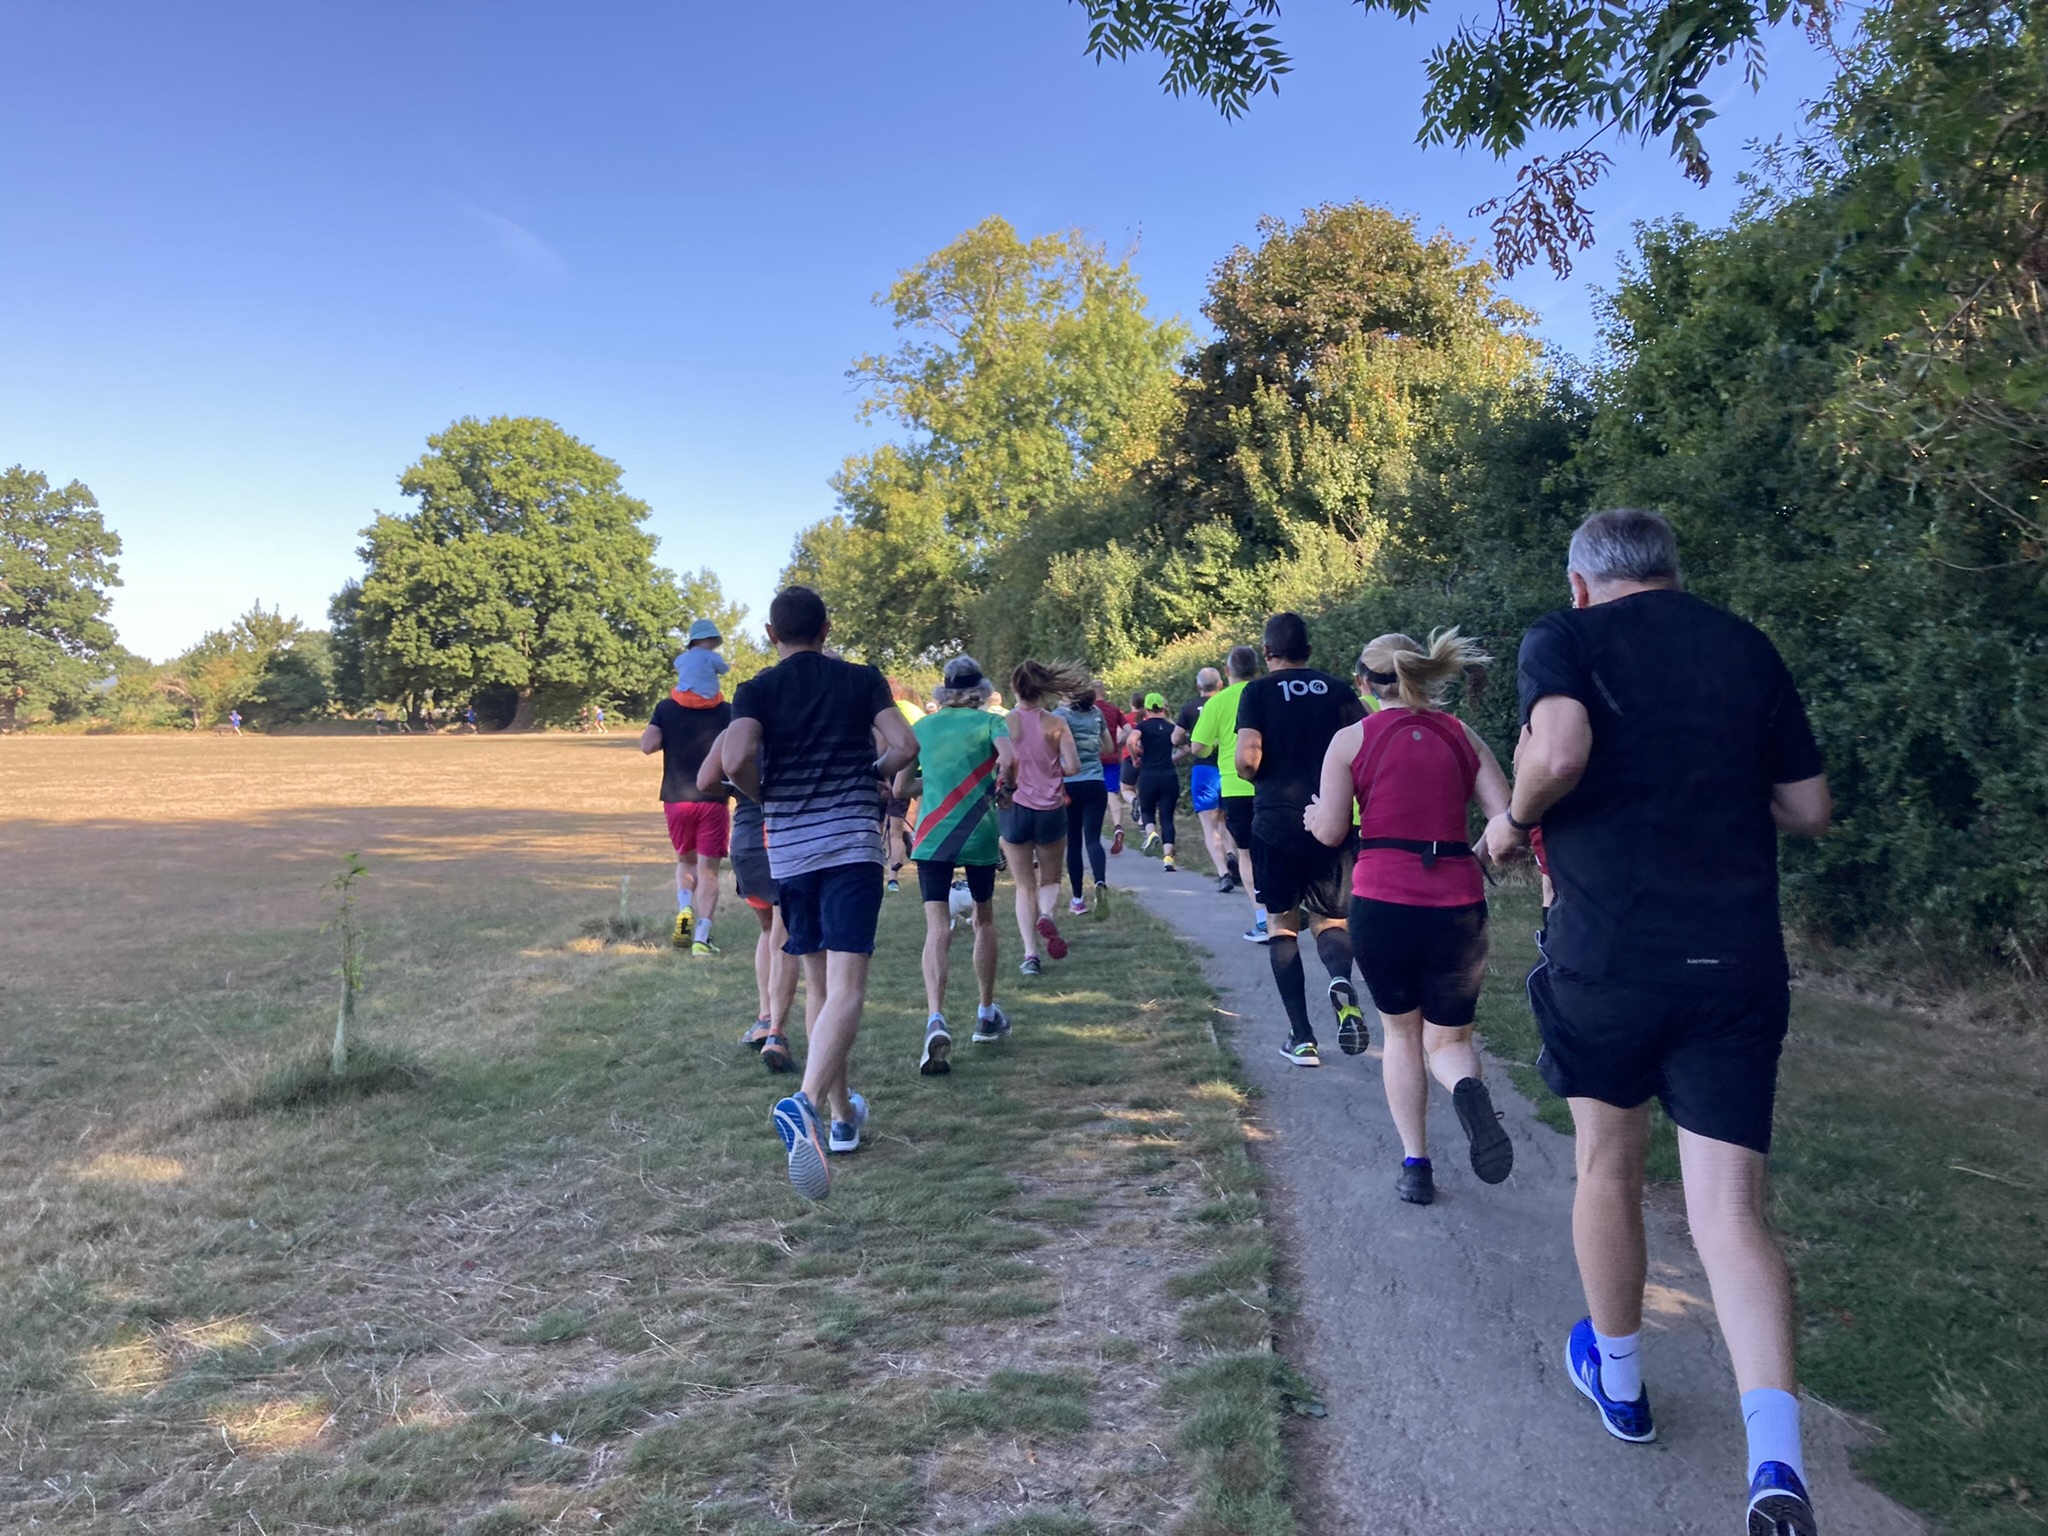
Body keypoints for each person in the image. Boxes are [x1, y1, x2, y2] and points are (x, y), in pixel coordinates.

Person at [1482, 510, 1832, 1535]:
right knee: (1729, 1213)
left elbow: (1557, 750)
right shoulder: (1744, 646)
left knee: (1608, 1168)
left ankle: (1622, 1380)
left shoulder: (1564, 635)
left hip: (1610, 957)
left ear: (1580, 583)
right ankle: (1775, 1465)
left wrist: (1511, 822)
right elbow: (1807, 809)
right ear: (1674, 573)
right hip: (1735, 960)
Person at [1307, 630, 1515, 1206]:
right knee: (1449, 1040)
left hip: (1382, 902)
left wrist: (1312, 817)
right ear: (1421, 673)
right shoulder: (1461, 735)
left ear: (1365, 683)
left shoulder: (1350, 740)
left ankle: (1416, 1166)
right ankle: (1466, 1087)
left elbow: (1330, 831)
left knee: (1400, 1034)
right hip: (1457, 906)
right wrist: (1471, 859)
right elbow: (1507, 824)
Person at [725, 586, 919, 1200]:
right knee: (848, 988)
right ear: (827, 629)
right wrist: (870, 775)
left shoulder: (755, 690)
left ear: (770, 633)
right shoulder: (861, 680)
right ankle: (806, 1102)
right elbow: (905, 746)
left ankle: (840, 1119)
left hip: (789, 853)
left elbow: (733, 759)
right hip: (850, 848)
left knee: (818, 987)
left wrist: (765, 795)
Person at [1235, 612, 1368, 1068]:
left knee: (1282, 924)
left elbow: (1247, 759)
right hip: (1331, 820)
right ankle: (1340, 979)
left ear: (1267, 652)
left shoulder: (1256, 691)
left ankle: (1303, 1037)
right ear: (1309, 650)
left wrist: (1253, 772)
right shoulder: (1338, 690)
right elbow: (1368, 747)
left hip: (1276, 823)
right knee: (1331, 921)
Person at [897, 656, 1015, 1071]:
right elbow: (1009, 759)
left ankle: (935, 1017)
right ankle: (985, 1013)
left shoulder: (922, 728)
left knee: (936, 927)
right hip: (978, 830)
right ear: (981, 691)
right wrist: (1005, 789)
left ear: (943, 691)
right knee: (984, 919)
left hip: (932, 835)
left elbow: (901, 786)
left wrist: (935, 782)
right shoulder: (991, 723)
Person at [698, 727, 800, 1073]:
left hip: (745, 842)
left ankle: (764, 1017)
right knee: (784, 935)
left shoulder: (732, 733)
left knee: (768, 930)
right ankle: (776, 1034)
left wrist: (739, 789)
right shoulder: (791, 729)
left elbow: (705, 781)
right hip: (782, 839)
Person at [1000, 661, 1086, 975]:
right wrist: (1050, 772)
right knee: (1050, 879)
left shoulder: (1004, 723)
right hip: (1050, 808)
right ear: (1043, 688)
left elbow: (1000, 763)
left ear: (1014, 687)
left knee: (1024, 886)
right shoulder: (1057, 723)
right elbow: (1074, 767)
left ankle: (1030, 955)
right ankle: (1047, 914)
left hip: (1014, 807)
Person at [640, 673, 733, 955]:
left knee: (686, 862)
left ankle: (684, 909)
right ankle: (701, 939)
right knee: (709, 871)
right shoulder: (727, 711)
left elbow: (648, 745)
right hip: (713, 798)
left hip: (677, 799)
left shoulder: (666, 708)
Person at [1193, 645, 1265, 936]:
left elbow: (1198, 747)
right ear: (1257, 669)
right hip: (1274, 783)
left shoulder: (1217, 702)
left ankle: (1263, 919)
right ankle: (1290, 906)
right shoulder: (1267, 692)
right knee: (1277, 847)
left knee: (1245, 853)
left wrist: (1214, 745)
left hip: (1236, 785)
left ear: (1227, 671)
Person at [1180, 668, 1238, 887]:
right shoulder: (1228, 702)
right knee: (1225, 818)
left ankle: (1224, 873)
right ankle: (1231, 853)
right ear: (1220, 684)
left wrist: (1187, 745)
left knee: (1209, 824)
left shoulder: (1189, 708)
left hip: (1204, 770)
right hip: (1227, 768)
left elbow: (1175, 737)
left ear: (1198, 686)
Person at [1058, 683, 1111, 916]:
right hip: (1095, 782)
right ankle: (1100, 882)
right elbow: (1109, 747)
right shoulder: (1097, 713)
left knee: (1074, 842)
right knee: (1093, 839)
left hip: (1069, 784)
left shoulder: (1060, 715)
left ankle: (1078, 899)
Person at [1129, 693, 1185, 872]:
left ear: (1146, 709)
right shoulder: (1171, 728)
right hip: (1169, 776)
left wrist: (1135, 758)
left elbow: (1131, 741)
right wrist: (1173, 759)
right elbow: (1186, 749)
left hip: (1148, 775)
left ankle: (1151, 833)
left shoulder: (1143, 726)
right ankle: (1168, 858)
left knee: (1147, 810)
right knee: (1167, 817)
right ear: (1163, 708)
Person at [884, 680, 926, 893]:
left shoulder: (888, 712)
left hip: (898, 771)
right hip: (923, 770)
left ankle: (893, 878)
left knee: (895, 831)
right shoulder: (916, 711)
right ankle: (928, 869)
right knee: (924, 823)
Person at [1095, 684, 1129, 854]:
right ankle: (1117, 826)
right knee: (1111, 792)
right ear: (1103, 692)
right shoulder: (1114, 710)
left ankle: (1092, 831)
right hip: (1111, 757)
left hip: (1092, 758)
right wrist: (1119, 744)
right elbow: (1129, 730)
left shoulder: (1089, 710)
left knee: (1093, 795)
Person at [673, 618, 731, 707]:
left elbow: (677, 665)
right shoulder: (712, 656)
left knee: (675, 690)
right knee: (719, 696)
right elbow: (723, 669)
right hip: (706, 699)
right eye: (710, 639)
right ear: (697, 640)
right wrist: (728, 666)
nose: (713, 643)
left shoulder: (681, 658)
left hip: (683, 697)